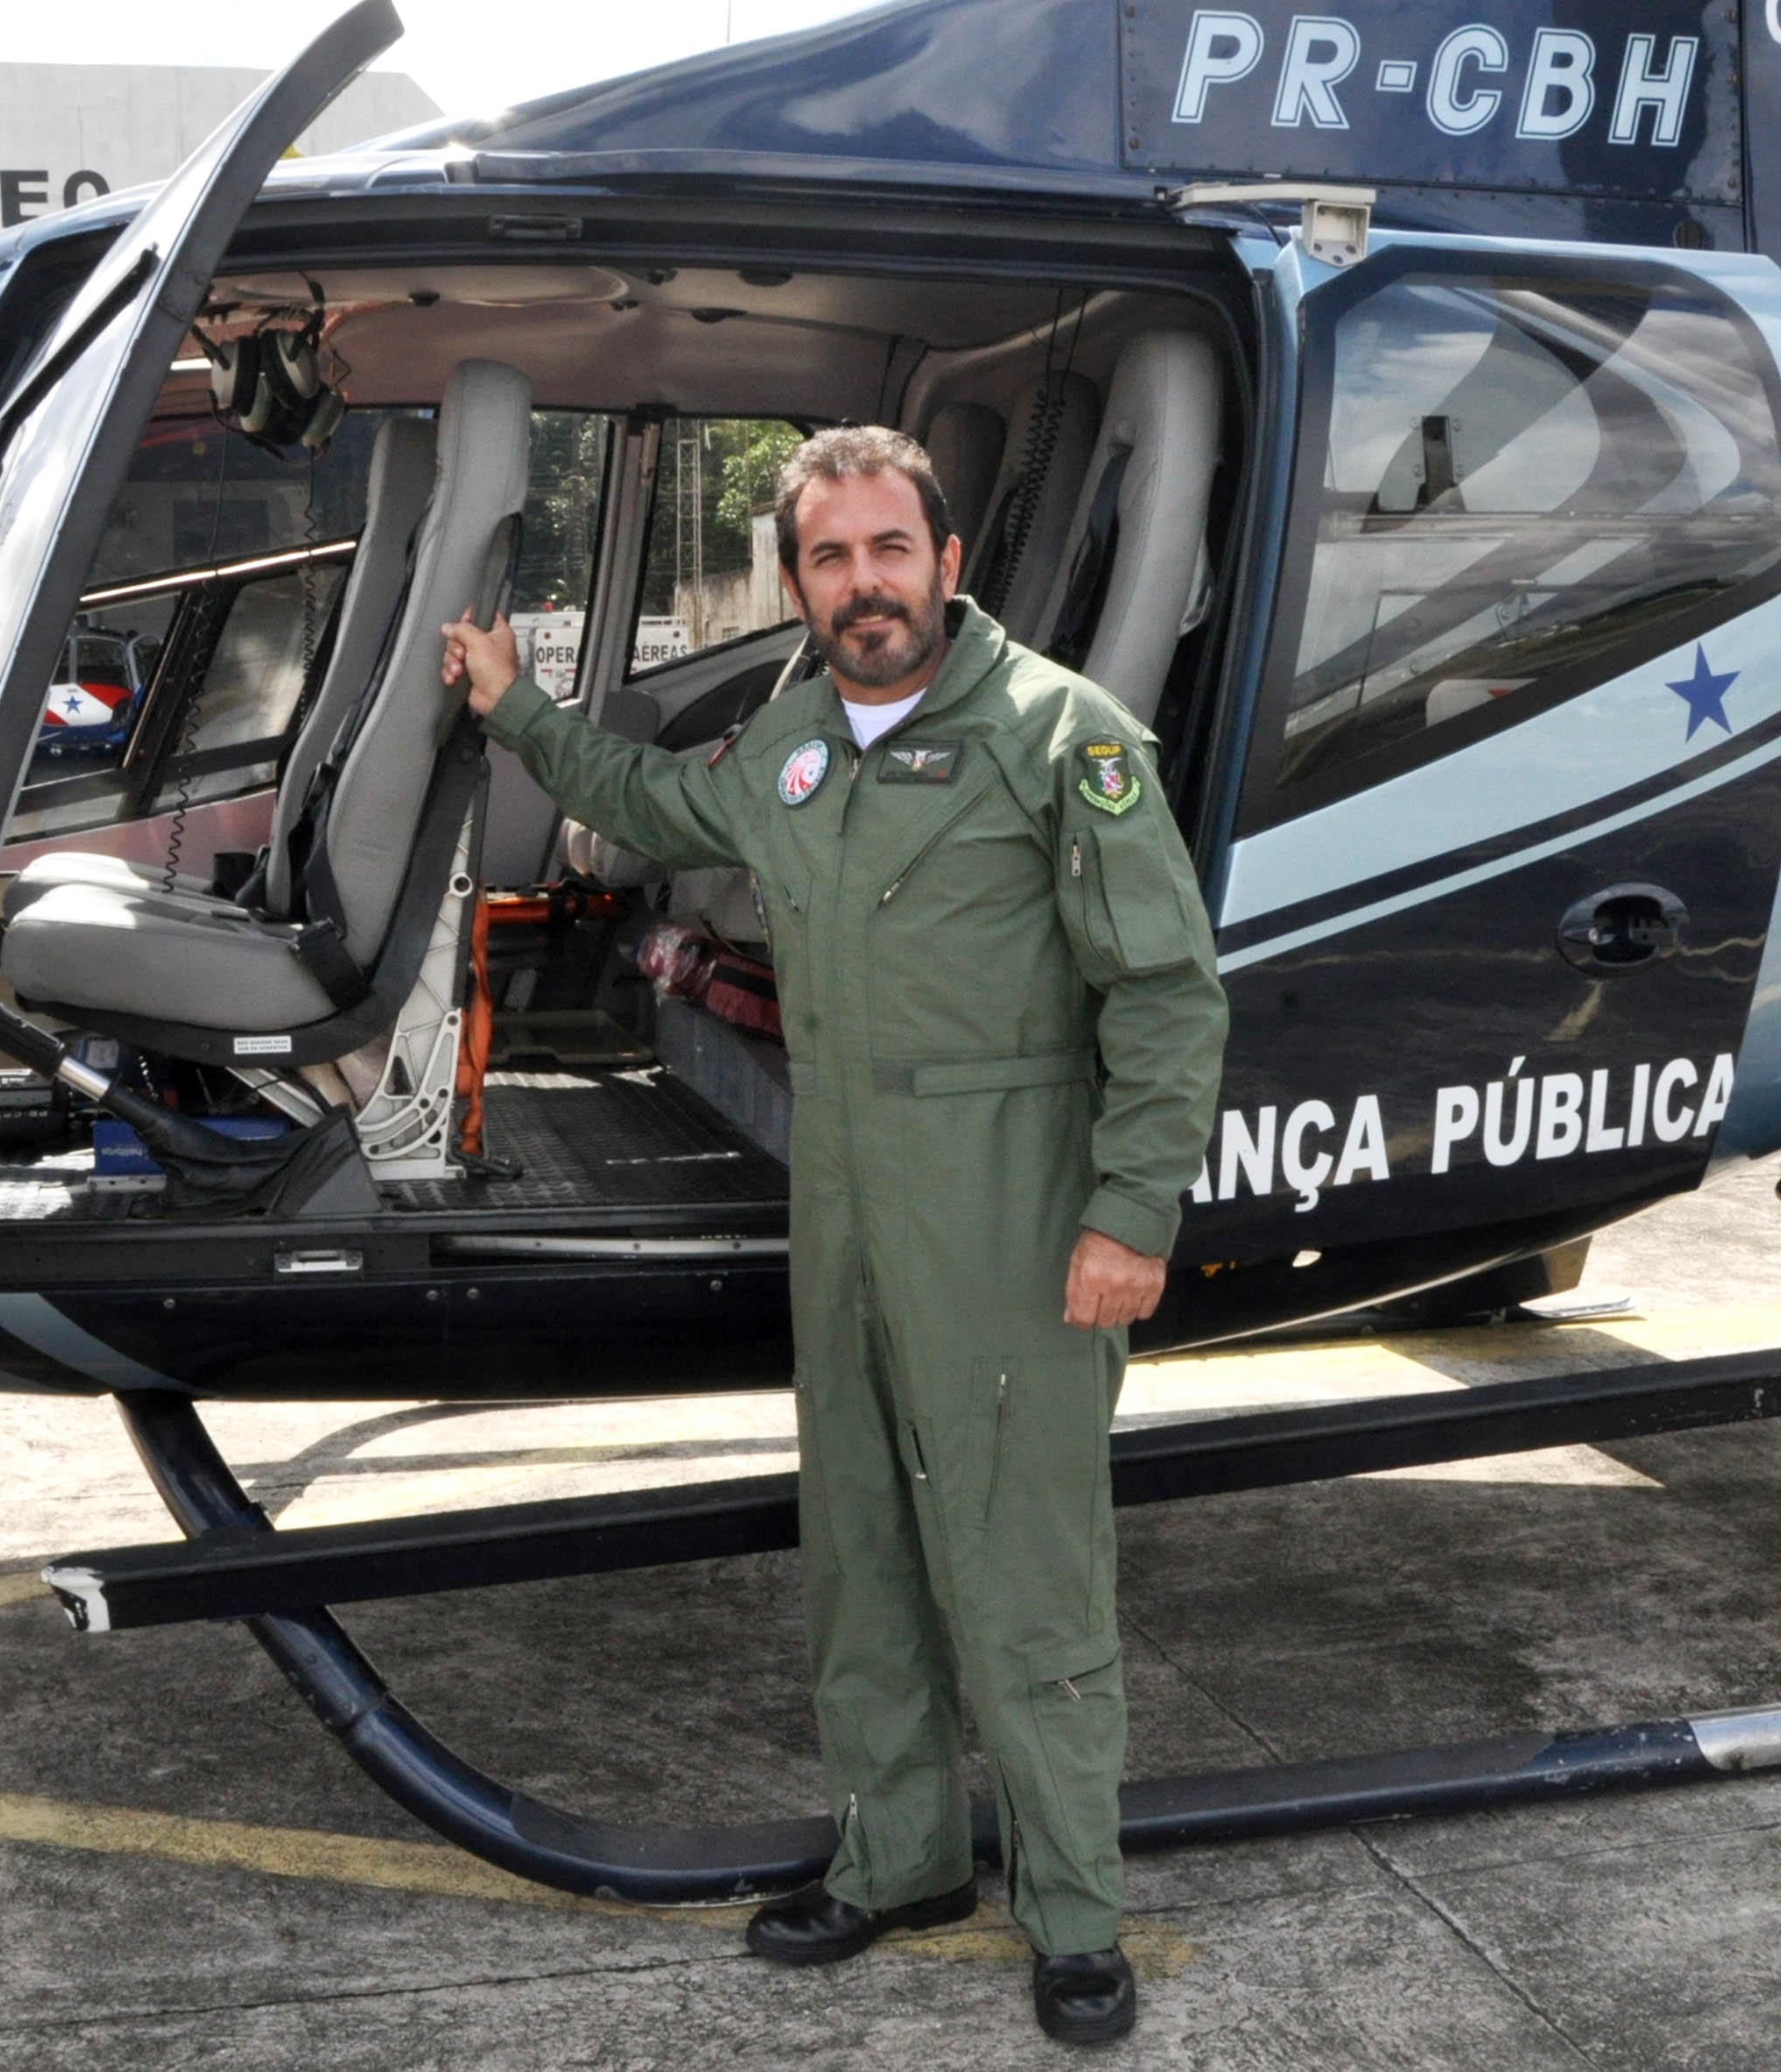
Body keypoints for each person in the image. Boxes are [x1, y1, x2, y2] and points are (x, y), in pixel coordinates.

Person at [442, 426, 1227, 2047]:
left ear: (948, 562)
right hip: (846, 1205)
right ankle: (901, 1859)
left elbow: (1163, 991)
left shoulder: (1060, 735)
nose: (864, 584)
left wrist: (1130, 1213)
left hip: (1011, 1213)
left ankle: (1077, 1916)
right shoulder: (794, 740)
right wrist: (518, 709)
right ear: (798, 585)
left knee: (1026, 1579)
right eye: (829, 557)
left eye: (888, 549)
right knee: (863, 1553)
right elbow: (654, 799)